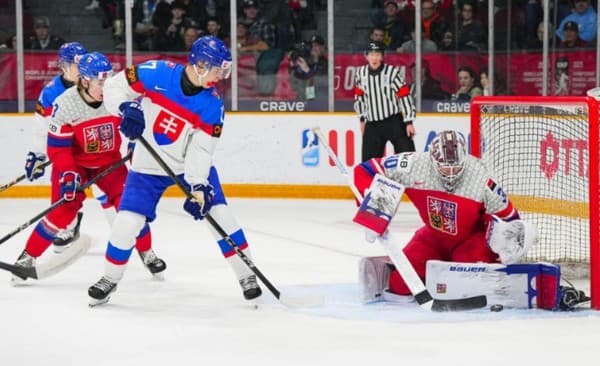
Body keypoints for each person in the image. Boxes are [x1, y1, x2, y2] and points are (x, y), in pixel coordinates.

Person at [88, 36, 262, 306]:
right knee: (126, 224)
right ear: (201, 64)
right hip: (147, 166)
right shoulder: (156, 72)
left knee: (221, 215)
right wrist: (125, 108)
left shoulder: (212, 106)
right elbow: (113, 87)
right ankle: (110, 278)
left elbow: (201, 151)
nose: (219, 77)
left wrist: (198, 187)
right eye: (217, 70)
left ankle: (247, 275)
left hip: (185, 166)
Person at [11, 52, 166, 285]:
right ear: (84, 80)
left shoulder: (115, 97)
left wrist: (135, 144)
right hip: (76, 165)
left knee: (131, 207)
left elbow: (139, 126)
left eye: (107, 79)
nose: (106, 86)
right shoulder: (65, 104)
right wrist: (68, 173)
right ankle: (28, 257)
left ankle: (146, 251)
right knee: (63, 210)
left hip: (110, 163)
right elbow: (58, 149)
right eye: (99, 81)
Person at [353, 130, 521, 296]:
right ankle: (431, 275)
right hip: (433, 237)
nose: (450, 174)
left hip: (470, 241)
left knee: (469, 286)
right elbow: (365, 170)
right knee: (400, 285)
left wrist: (506, 246)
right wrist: (373, 210)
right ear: (432, 160)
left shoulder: (480, 176)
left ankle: (446, 274)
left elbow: (508, 216)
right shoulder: (414, 165)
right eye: (444, 168)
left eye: (455, 168)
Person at [353, 41, 416, 163]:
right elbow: (359, 97)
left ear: (382, 56)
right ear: (366, 56)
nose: (374, 58)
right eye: (371, 54)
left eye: (377, 54)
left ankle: (410, 181)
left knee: (408, 156)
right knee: (368, 163)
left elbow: (404, 95)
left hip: (393, 121)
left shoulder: (392, 72)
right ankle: (371, 182)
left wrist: (409, 121)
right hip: (372, 123)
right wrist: (362, 119)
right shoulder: (361, 74)